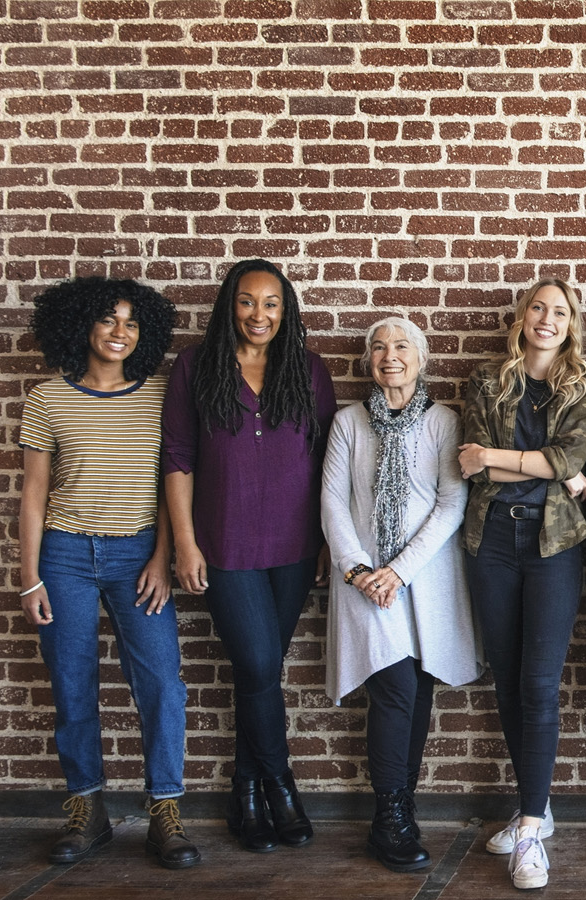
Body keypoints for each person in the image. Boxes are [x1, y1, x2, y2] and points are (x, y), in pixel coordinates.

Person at [18, 276, 199, 869]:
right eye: (107, 320)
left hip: (137, 556)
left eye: (132, 322)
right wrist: (29, 576)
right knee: (72, 683)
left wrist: (163, 558)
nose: (120, 332)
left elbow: (171, 483)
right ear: (81, 327)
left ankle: (166, 813)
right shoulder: (48, 400)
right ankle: (87, 809)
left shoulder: (159, 396)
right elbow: (35, 496)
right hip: (64, 556)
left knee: (161, 684)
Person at [163, 259, 336, 853]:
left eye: (270, 304)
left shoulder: (308, 371)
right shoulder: (194, 368)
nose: (257, 315)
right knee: (261, 666)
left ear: (285, 312)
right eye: (246, 301)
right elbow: (179, 459)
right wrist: (185, 542)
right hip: (225, 545)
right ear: (228, 306)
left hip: (293, 547)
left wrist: (325, 542)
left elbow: (326, 465)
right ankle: (280, 785)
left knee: (256, 672)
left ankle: (245, 790)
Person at [321, 317, 484, 873]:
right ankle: (389, 817)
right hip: (364, 584)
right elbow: (332, 502)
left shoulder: (443, 422)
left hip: (425, 580)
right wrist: (359, 569)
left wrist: (400, 570)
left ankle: (400, 808)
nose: (390, 357)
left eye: (402, 348)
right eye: (379, 349)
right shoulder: (348, 423)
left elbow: (450, 502)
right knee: (391, 688)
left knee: (415, 689)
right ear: (368, 361)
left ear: (422, 358)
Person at [458, 279, 586, 890]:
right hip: (491, 541)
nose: (547, 319)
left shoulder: (585, 384)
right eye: (538, 308)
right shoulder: (484, 382)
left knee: (541, 683)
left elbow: (569, 461)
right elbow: (466, 461)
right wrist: (542, 464)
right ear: (521, 317)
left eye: (560, 312)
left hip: (553, 548)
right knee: (509, 680)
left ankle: (528, 829)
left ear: (572, 324)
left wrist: (503, 457)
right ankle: (534, 811)